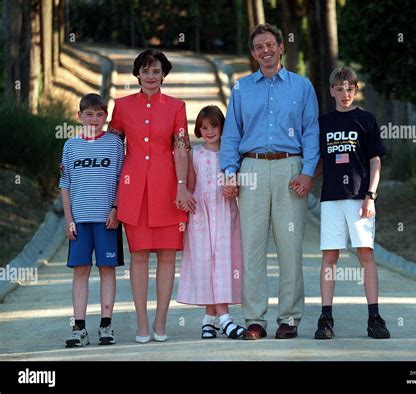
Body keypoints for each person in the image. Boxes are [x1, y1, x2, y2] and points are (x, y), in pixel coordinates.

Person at [220, 23, 320, 340]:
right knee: (252, 248)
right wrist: (229, 172)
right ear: (253, 53)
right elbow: (231, 134)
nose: (265, 50)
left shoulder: (302, 87)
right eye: (259, 47)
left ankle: (289, 318)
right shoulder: (241, 89)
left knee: (290, 248)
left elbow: (312, 132)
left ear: (281, 47)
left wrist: (308, 171)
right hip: (251, 169)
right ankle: (254, 319)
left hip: (290, 169)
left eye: (270, 45)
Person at [107, 49, 195, 343]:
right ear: (137, 74)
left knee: (168, 257)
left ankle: (161, 321)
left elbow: (182, 146)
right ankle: (142, 322)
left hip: (167, 188)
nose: (151, 76)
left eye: (156, 71)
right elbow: (112, 148)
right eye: (145, 71)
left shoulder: (176, 107)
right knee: (140, 256)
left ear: (163, 75)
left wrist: (182, 185)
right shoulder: (120, 107)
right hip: (134, 191)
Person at [314, 66, 390, 340]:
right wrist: (304, 179)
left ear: (356, 90)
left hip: (360, 198)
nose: (345, 94)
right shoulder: (323, 123)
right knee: (329, 257)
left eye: (350, 89)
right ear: (331, 91)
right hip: (331, 198)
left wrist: (371, 195)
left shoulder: (366, 120)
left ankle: (374, 317)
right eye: (339, 89)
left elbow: (375, 161)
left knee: (366, 255)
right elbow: (319, 162)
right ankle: (326, 317)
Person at [60, 93, 124, 347]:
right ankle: (79, 328)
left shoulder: (114, 144)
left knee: (107, 269)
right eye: (89, 114)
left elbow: (121, 179)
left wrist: (116, 209)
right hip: (80, 219)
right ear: (79, 116)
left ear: (106, 117)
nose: (94, 119)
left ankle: (106, 326)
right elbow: (65, 184)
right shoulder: (70, 146)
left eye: (100, 114)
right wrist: (68, 220)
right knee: (81, 270)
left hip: (106, 218)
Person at [177, 106, 246, 339]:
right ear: (198, 130)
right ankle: (224, 319)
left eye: (214, 126)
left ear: (222, 127)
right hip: (201, 215)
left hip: (225, 211)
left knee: (223, 265)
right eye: (204, 127)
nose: (209, 131)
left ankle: (210, 320)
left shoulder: (231, 154)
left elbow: (238, 184)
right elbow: (191, 185)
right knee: (206, 265)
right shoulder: (194, 154)